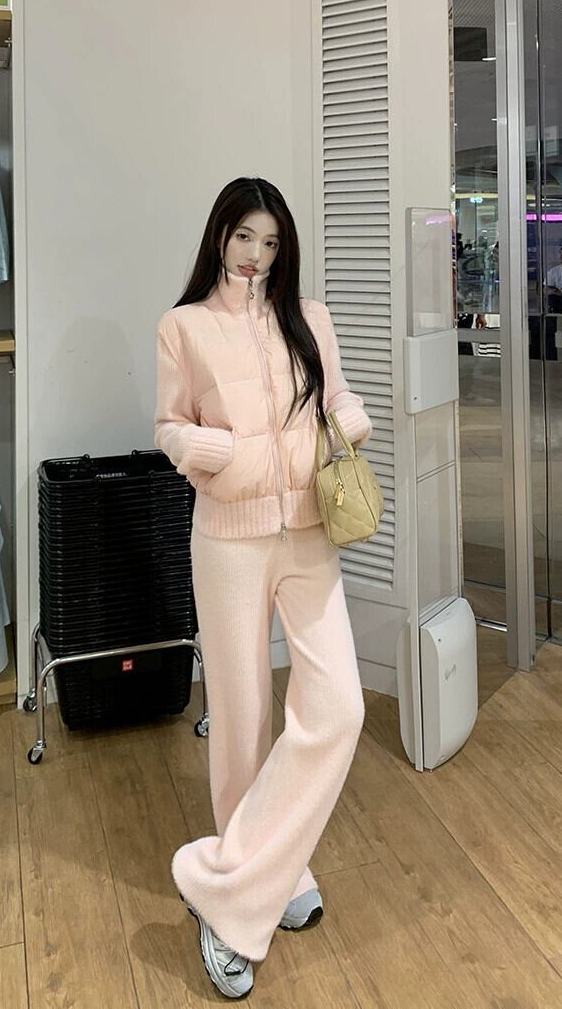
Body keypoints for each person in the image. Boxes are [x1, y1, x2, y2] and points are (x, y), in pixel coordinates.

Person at [154, 177, 372, 998]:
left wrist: (349, 421)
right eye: (245, 236)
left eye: (272, 242)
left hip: (311, 532)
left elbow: (336, 396)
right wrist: (219, 454)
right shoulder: (183, 326)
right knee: (242, 718)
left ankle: (235, 876)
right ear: (220, 236)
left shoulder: (309, 316)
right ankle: (249, 896)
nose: (257, 255)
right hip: (229, 542)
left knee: (338, 706)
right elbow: (169, 425)